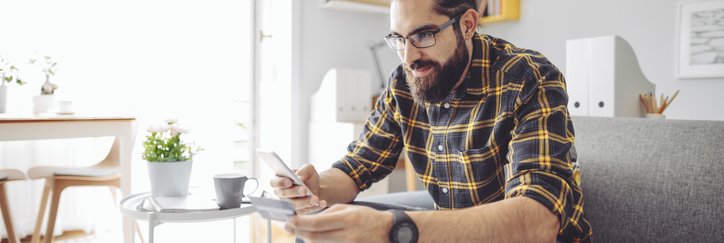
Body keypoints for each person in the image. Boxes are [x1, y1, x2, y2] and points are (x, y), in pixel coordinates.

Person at [272, 0, 593, 242]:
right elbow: (357, 167)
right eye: (398, 39)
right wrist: (317, 187)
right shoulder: (403, 82)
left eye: (423, 35)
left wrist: (395, 228)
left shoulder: (527, 77)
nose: (408, 57)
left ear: (467, 24)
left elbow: (538, 219)